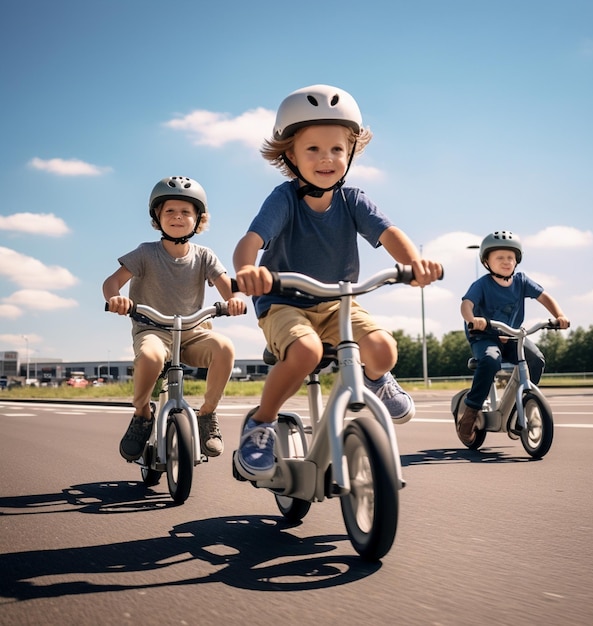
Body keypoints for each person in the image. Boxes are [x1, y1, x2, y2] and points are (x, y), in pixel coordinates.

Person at [232, 84, 443, 481]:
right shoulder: (284, 200)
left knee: (382, 348)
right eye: (313, 149)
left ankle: (375, 381)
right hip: (284, 303)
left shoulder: (354, 200)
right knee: (307, 351)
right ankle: (259, 423)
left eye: (337, 149)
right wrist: (248, 269)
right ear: (290, 155)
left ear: (350, 153)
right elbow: (251, 241)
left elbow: (389, 234)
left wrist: (414, 264)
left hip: (338, 302)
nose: (326, 159)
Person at [103, 176, 246, 461]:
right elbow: (111, 282)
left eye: (186, 212)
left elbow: (227, 288)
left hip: (193, 332)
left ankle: (207, 415)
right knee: (151, 357)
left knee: (225, 347)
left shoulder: (204, 256)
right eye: (169, 211)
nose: (178, 217)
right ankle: (142, 413)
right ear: (157, 216)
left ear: (198, 220)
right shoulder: (145, 253)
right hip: (153, 330)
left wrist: (235, 300)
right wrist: (115, 298)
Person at [457, 230, 569, 445]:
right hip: (485, 336)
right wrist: (473, 319)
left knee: (535, 359)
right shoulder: (482, 285)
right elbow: (466, 304)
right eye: (499, 257)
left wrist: (559, 316)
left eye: (511, 257)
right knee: (490, 360)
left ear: (517, 260)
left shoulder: (521, 281)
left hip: (512, 335)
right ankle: (470, 414)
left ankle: (522, 406)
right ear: (486, 261)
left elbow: (544, 297)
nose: (506, 262)